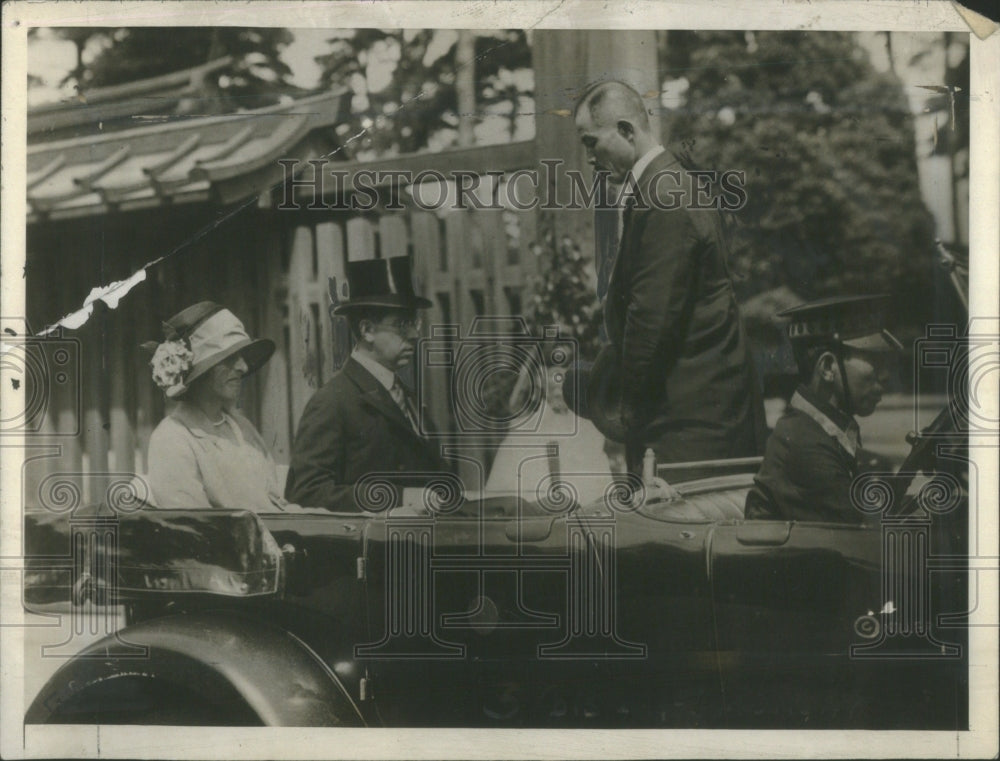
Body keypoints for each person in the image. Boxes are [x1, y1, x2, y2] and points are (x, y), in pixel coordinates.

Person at [574, 80, 766, 476]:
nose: (589, 158)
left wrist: (621, 419)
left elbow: (650, 324)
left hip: (693, 428)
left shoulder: (664, 197)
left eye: (592, 142)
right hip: (694, 416)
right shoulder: (664, 186)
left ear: (627, 131)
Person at [285, 257, 450, 510]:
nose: (415, 335)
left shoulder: (407, 398)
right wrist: (400, 498)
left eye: (414, 323)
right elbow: (306, 492)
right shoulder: (333, 401)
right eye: (402, 324)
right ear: (367, 330)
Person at [745, 295, 902, 523]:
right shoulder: (806, 443)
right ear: (828, 368)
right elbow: (869, 536)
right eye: (874, 361)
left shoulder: (820, 427)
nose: (885, 376)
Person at [145, 301, 289, 512]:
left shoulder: (242, 428)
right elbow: (195, 528)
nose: (243, 366)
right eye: (229, 358)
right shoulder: (173, 439)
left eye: (242, 357)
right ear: (200, 372)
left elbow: (276, 506)